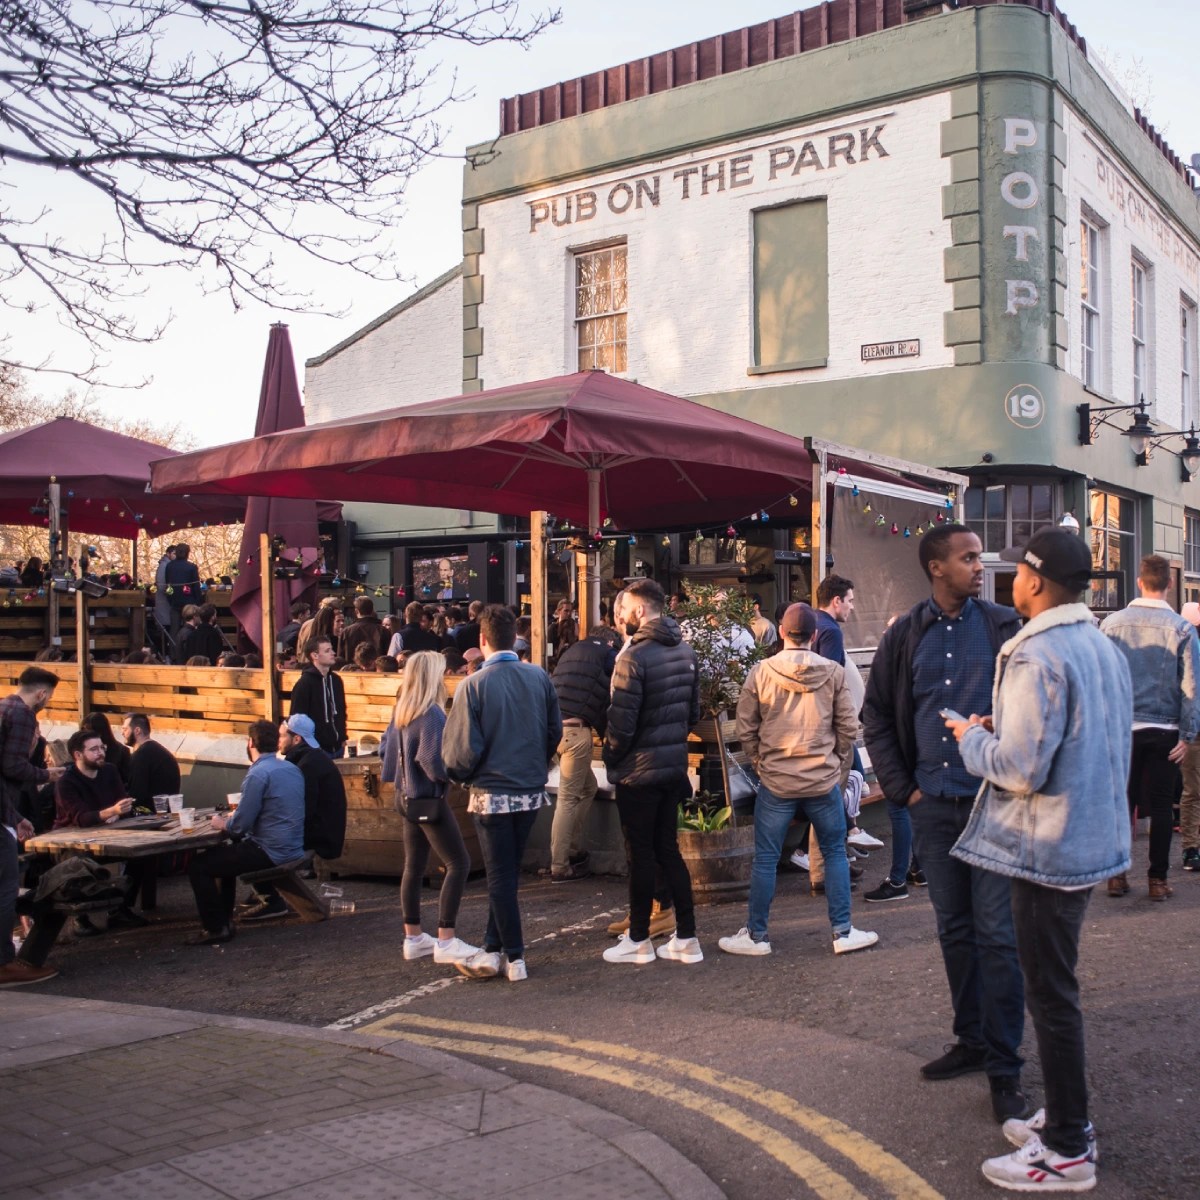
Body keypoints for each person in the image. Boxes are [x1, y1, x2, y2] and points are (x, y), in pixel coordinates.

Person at [947, 528, 1130, 1193]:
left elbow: (1020, 770)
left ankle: (1067, 1149)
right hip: (1087, 839)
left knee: (1051, 997)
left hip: (1046, 848)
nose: (1009, 580)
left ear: (1033, 581)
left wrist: (971, 739)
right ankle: (1068, 1118)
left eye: (1017, 571)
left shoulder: (1036, 655)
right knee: (1058, 990)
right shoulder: (1098, 646)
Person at [863, 523, 1028, 1123]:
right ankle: (972, 1043)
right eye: (967, 558)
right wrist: (902, 790)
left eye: (978, 558)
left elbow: (1035, 711)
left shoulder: (1004, 626)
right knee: (955, 932)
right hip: (932, 806)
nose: (979, 566)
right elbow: (875, 714)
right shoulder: (907, 634)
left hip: (995, 804)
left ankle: (1006, 1068)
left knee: (998, 936)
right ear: (937, 568)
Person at [721, 603, 877, 957]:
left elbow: (746, 727)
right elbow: (848, 728)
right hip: (822, 781)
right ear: (815, 635)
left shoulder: (761, 672)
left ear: (780, 632)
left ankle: (757, 936)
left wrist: (762, 762)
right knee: (836, 853)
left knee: (765, 858)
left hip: (777, 782)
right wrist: (835, 766)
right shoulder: (833, 673)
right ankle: (843, 932)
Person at [443, 604, 562, 982]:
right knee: (506, 874)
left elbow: (461, 751)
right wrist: (537, 764)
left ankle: (515, 954)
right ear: (515, 638)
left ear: (481, 641)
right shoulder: (538, 677)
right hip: (530, 789)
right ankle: (493, 947)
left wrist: (463, 776)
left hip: (490, 791)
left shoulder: (472, 685)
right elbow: (553, 731)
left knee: (500, 879)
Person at [602, 578, 702, 966]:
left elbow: (621, 725)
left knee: (640, 855)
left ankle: (639, 938)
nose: (622, 615)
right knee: (668, 852)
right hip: (672, 767)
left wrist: (613, 758)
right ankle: (687, 936)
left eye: (625, 608)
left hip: (638, 772)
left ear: (640, 611)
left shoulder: (634, 657)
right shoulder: (685, 651)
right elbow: (692, 713)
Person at [1100, 554, 1200, 901]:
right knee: (1160, 806)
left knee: (1121, 803)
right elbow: (1190, 687)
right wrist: (1188, 735)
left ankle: (1116, 876)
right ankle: (1157, 880)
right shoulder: (1183, 629)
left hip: (1122, 728)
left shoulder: (1111, 624)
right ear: (1169, 584)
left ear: (1139, 581)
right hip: (1164, 729)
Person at [379, 651, 479, 965]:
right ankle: (446, 939)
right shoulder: (432, 714)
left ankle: (414, 937)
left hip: (405, 797)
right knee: (458, 863)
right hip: (427, 799)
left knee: (414, 866)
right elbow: (433, 762)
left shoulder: (402, 711)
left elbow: (385, 751)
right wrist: (454, 776)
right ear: (432, 677)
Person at [186, 720, 305, 945]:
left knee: (199, 866)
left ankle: (215, 927)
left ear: (250, 742)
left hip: (270, 850)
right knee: (224, 857)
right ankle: (224, 921)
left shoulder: (258, 774)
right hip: (293, 845)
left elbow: (239, 827)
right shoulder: (291, 768)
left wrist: (223, 824)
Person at [241, 714, 348, 923]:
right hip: (325, 832)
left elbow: (299, 812)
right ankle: (264, 891)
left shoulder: (304, 766)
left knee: (253, 838)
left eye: (282, 736)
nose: (278, 741)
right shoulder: (311, 758)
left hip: (318, 837)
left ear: (296, 739)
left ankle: (269, 897)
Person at [0, 667, 64, 987]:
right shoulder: (24, 716)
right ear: (41, 694)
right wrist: (47, 775)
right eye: (49, 697)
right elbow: (11, 766)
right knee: (6, 887)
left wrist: (14, 817)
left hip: (3, 811)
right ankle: (4, 963)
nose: (47, 702)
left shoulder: (2, 706)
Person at [54, 728, 148, 932]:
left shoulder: (110, 771)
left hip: (110, 832)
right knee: (74, 858)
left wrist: (118, 812)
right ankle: (79, 917)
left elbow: (121, 801)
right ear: (78, 755)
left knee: (142, 854)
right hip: (72, 838)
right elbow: (80, 818)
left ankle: (120, 909)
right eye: (94, 749)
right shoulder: (66, 782)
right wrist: (109, 812)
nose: (101, 753)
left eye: (102, 747)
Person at [549, 625, 619, 882]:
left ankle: (573, 848)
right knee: (567, 798)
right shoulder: (609, 655)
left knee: (588, 787)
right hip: (576, 733)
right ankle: (560, 864)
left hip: (554, 730)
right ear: (611, 643)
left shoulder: (572, 650)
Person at [290, 635, 347, 757]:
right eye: (327, 651)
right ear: (314, 655)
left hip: (338, 747)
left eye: (331, 649)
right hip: (316, 748)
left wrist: (342, 737)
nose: (333, 653)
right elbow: (297, 718)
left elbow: (341, 711)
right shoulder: (304, 684)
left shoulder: (336, 680)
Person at [120, 713, 180, 813]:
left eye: (125, 729)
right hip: (168, 811)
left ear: (137, 731)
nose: (122, 733)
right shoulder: (160, 751)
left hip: (151, 815)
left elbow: (136, 795)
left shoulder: (141, 756)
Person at [1180, 602, 1200, 872]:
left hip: (1190, 728)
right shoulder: (1188, 644)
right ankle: (1191, 848)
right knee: (1193, 790)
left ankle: (1191, 848)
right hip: (1192, 729)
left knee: (1192, 790)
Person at [82, 711, 132, 787]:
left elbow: (127, 781)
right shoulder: (81, 750)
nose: (86, 736)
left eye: (89, 732)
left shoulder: (121, 752)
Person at [164, 543, 201, 639]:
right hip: (189, 604)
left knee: (174, 632)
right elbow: (196, 586)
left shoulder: (169, 566)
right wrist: (198, 602)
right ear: (187, 553)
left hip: (174, 602)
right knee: (190, 630)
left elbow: (168, 586)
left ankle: (174, 652)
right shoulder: (192, 567)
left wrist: (170, 600)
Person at [340, 595, 386, 663]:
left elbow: (341, 657)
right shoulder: (383, 631)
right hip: (377, 670)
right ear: (372, 610)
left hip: (351, 671)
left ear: (356, 611)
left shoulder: (347, 631)